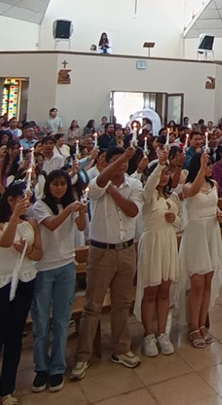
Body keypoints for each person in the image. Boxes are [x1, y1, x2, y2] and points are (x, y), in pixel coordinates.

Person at [70, 147, 144, 381]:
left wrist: (114, 190)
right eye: (116, 161)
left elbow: (132, 211)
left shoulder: (134, 184)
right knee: (93, 306)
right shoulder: (96, 182)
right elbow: (101, 183)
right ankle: (83, 356)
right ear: (107, 163)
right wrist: (110, 182)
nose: (122, 165)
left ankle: (121, 349)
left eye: (124, 161)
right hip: (101, 251)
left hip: (126, 250)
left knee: (121, 303)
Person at [0, 181, 42, 405]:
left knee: (14, 340)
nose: (24, 204)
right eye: (18, 199)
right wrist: (14, 217)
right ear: (9, 200)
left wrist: (29, 250)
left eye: (27, 199)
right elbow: (5, 242)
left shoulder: (30, 224)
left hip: (24, 283)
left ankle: (7, 391)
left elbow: (38, 254)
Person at [30, 170, 86, 393]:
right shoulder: (39, 206)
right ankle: (40, 368)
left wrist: (81, 212)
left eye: (63, 184)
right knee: (41, 322)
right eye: (55, 184)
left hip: (66, 265)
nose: (60, 188)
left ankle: (57, 368)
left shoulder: (71, 205)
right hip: (44, 268)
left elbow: (81, 227)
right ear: (48, 186)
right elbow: (51, 225)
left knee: (62, 320)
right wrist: (71, 210)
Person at [135, 148, 181, 357]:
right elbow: (151, 185)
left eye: (167, 174)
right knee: (150, 290)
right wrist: (161, 164)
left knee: (164, 290)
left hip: (168, 242)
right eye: (162, 173)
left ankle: (163, 333)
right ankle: (149, 334)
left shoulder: (172, 198)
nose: (164, 177)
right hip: (153, 242)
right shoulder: (148, 197)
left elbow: (181, 223)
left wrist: (176, 220)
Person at [179, 152, 222, 348]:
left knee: (208, 281)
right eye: (207, 165)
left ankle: (202, 323)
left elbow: (213, 205)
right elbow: (193, 192)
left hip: (211, 233)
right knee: (197, 283)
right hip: (196, 234)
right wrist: (200, 168)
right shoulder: (187, 185)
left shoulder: (213, 185)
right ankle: (193, 327)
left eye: (209, 165)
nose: (209, 168)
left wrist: (219, 213)